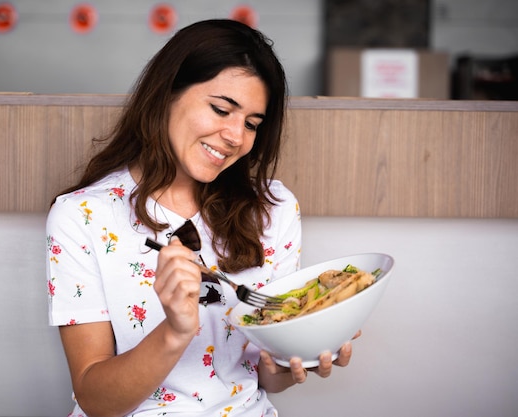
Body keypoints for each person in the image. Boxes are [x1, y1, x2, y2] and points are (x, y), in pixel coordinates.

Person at [46, 19, 356, 417]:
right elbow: (96, 400)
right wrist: (175, 331)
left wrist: (298, 356)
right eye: (221, 109)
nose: (235, 137)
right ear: (167, 94)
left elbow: (264, 374)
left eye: (251, 124)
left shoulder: (273, 208)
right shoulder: (82, 216)